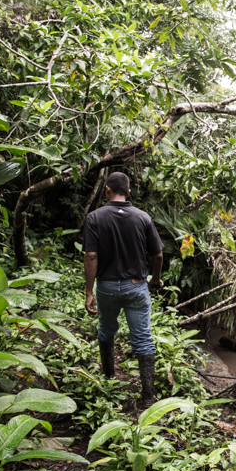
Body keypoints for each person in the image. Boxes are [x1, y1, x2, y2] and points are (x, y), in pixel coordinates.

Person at [82, 172, 164, 408]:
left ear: (107, 190)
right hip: (137, 286)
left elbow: (91, 256)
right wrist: (155, 279)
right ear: (129, 192)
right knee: (143, 339)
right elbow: (157, 254)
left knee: (106, 329)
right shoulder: (143, 218)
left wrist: (89, 291)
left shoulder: (94, 217)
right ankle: (148, 398)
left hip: (106, 286)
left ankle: (109, 378)